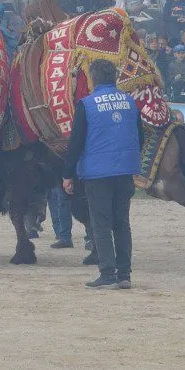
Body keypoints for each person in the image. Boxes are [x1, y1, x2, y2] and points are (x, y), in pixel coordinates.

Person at [63, 59, 143, 289]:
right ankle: (125, 274)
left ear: (93, 78)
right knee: (122, 223)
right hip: (125, 170)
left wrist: (68, 174)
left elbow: (75, 143)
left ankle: (107, 273)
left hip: (97, 172)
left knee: (101, 223)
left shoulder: (86, 104)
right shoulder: (130, 102)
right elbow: (140, 137)